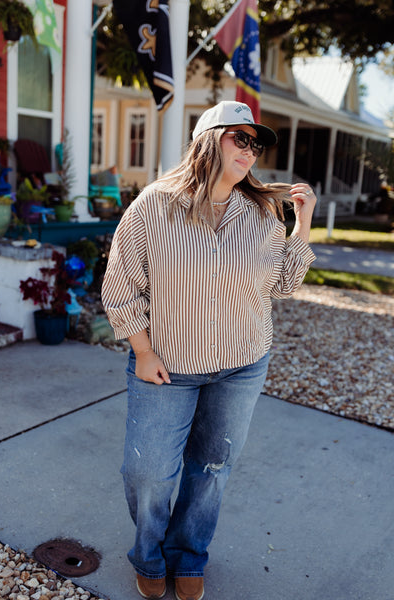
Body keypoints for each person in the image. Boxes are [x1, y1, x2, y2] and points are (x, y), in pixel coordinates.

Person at [102, 100, 316, 600]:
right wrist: (144, 350)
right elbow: (120, 286)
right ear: (208, 139)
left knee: (212, 468)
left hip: (242, 364)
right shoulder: (154, 204)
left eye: (256, 143)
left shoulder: (262, 212)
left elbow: (283, 285)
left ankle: (190, 554)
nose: (250, 150)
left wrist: (301, 224)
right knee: (149, 472)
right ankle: (149, 556)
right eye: (239, 137)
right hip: (167, 365)